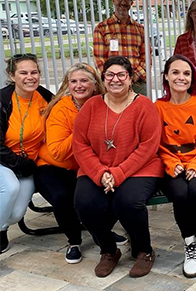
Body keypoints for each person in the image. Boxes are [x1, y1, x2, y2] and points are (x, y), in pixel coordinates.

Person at [73, 56, 162, 278]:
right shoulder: (91, 106)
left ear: (130, 78)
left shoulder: (144, 106)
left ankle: (144, 250)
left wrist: (118, 173)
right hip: (98, 169)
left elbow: (148, 147)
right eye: (110, 75)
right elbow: (80, 144)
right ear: (103, 79)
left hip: (140, 168)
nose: (116, 79)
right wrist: (100, 173)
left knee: (128, 201)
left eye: (121, 74)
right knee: (84, 202)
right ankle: (109, 250)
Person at [37, 63, 126, 264]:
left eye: (84, 80)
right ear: (68, 85)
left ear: (95, 85)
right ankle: (74, 241)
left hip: (88, 165)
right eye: (73, 81)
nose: (79, 85)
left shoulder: (105, 104)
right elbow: (58, 152)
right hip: (55, 166)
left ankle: (101, 231)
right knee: (63, 197)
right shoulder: (61, 109)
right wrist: (82, 125)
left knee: (116, 190)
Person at [155, 55, 196, 279]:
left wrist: (195, 164)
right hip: (172, 162)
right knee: (180, 193)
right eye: (175, 72)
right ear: (166, 76)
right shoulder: (158, 107)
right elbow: (158, 145)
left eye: (186, 73)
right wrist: (172, 163)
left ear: (192, 79)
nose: (180, 77)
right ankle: (189, 243)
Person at [0, 54, 53, 254]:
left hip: (29, 163)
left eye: (34, 72)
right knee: (11, 188)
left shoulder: (46, 97)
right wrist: (22, 164)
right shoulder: (3, 100)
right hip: (5, 161)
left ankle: (3, 226)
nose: (30, 77)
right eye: (23, 73)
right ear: (12, 76)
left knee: (15, 214)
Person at [93, 0, 147, 95]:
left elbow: (146, 58)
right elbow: (100, 61)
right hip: (113, 84)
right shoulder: (101, 28)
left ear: (132, 3)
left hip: (137, 83)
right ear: (113, 0)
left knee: (143, 111)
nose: (123, 2)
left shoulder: (140, 29)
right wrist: (114, 78)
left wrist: (133, 77)